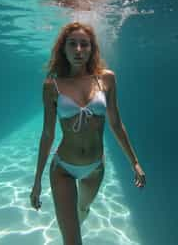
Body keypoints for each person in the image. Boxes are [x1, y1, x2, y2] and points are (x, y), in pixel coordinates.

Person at [30, 22, 146, 245]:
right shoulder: (51, 85)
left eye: (85, 44)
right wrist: (37, 181)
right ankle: (70, 229)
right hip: (63, 168)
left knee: (83, 208)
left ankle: (76, 218)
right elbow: (47, 135)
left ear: (92, 49)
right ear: (63, 49)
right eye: (72, 44)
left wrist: (135, 162)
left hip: (95, 167)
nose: (79, 50)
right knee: (73, 241)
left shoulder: (106, 79)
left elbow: (116, 123)